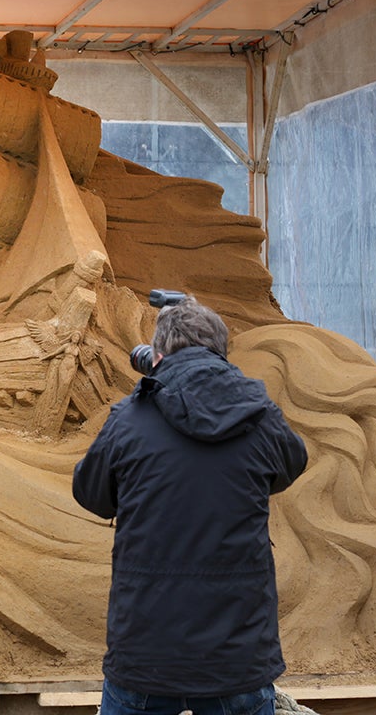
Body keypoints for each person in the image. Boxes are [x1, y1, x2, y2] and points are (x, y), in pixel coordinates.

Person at [72, 296, 309, 715]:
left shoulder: (129, 418)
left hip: (145, 657)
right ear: (221, 353)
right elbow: (291, 465)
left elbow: (91, 494)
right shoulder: (259, 415)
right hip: (237, 660)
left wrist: (145, 394)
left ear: (157, 355)